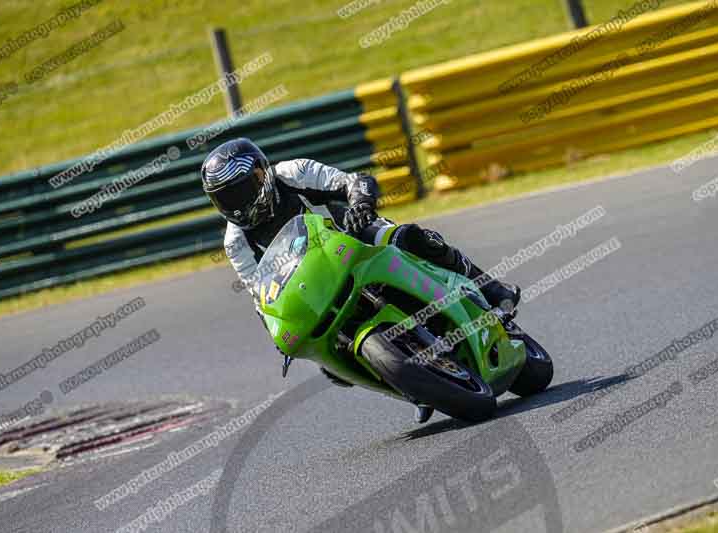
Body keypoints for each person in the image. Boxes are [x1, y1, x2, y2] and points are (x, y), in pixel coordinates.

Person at [201, 138, 520, 423]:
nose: (237, 205)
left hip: (354, 238)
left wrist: (360, 206)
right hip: (313, 284)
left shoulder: (293, 173)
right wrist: (278, 331)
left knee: (411, 238)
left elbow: (355, 182)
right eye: (225, 199)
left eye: (241, 191)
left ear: (262, 175)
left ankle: (489, 287)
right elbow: (260, 296)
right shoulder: (236, 242)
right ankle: (409, 386)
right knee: (329, 366)